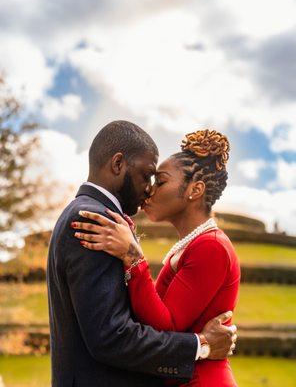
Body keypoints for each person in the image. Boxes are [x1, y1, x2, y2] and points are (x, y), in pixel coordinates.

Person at [48, 121, 237, 387]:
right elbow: (111, 336)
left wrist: (134, 259)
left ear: (196, 191)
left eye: (158, 180)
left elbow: (148, 320)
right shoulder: (95, 218)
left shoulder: (210, 246)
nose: (149, 188)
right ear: (118, 165)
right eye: (148, 176)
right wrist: (202, 345)